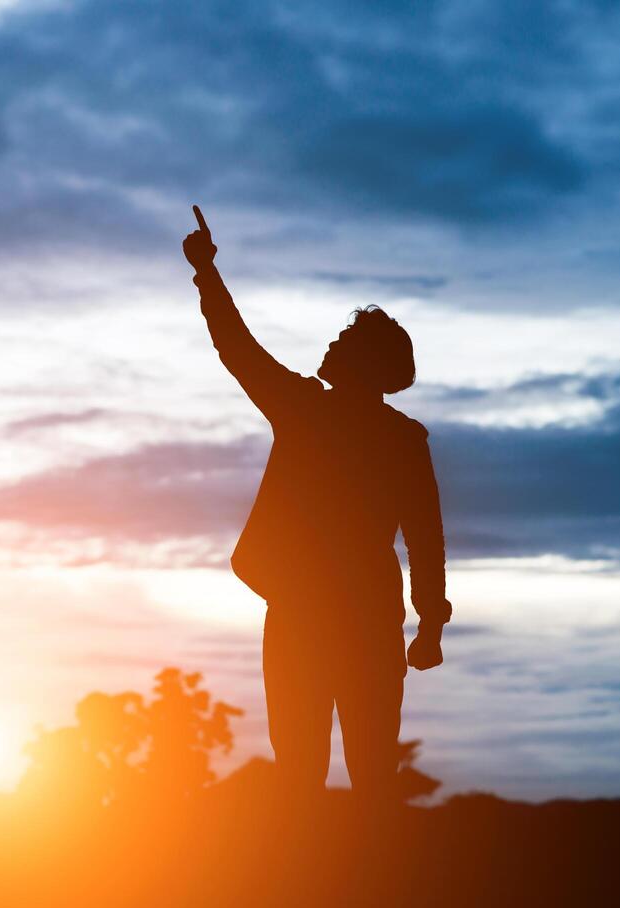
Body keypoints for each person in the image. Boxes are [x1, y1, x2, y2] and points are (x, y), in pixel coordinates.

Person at [183, 205, 450, 799]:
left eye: (347, 339)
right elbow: (426, 540)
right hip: (343, 612)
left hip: (315, 611)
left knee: (319, 770)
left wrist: (206, 273)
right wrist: (428, 621)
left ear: (367, 362)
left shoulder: (310, 412)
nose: (333, 341)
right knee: (351, 770)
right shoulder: (394, 435)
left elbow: (236, 348)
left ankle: (337, 885)